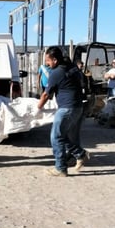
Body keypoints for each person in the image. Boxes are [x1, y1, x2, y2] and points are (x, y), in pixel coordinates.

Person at [37, 46, 90, 177]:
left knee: (56, 137)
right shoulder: (71, 68)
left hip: (67, 108)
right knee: (64, 135)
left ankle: (60, 168)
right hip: (78, 107)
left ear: (54, 60)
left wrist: (38, 107)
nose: (46, 64)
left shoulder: (56, 73)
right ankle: (80, 154)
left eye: (48, 61)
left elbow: (46, 95)